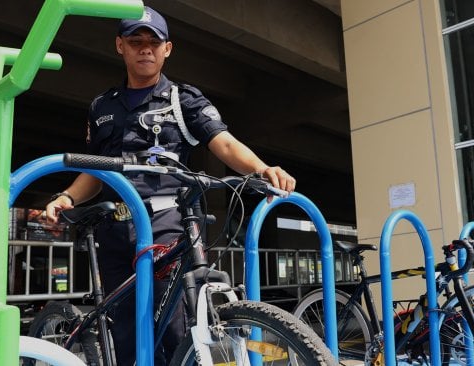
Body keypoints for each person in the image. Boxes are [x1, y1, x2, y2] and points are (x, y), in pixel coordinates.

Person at [45, 6, 295, 365]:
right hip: (114, 229)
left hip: (165, 224)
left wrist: (261, 167)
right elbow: (94, 171)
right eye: (135, 41)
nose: (145, 49)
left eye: (153, 42)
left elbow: (222, 142)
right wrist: (67, 196)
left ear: (167, 49)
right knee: (128, 333)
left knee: (177, 329)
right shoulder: (101, 106)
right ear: (121, 46)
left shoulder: (184, 99)